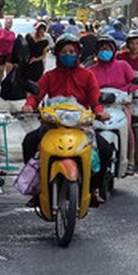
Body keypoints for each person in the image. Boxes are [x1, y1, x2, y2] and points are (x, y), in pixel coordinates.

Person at [21, 35, 106, 202]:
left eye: (72, 51)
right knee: (30, 142)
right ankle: (37, 188)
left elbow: (95, 99)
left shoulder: (87, 75)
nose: (68, 54)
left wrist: (99, 111)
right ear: (58, 54)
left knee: (105, 150)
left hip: (80, 125)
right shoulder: (49, 76)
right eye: (64, 52)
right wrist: (29, 105)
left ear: (78, 54)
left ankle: (93, 189)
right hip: (53, 124)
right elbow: (36, 94)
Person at [89, 35, 138, 175]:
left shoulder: (123, 66)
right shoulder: (91, 71)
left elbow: (134, 82)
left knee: (127, 127)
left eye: (108, 48)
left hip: (120, 104)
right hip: (99, 106)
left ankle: (131, 160)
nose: (105, 51)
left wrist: (125, 93)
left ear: (114, 50)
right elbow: (86, 88)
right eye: (102, 48)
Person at [21, 21, 50, 86]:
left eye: (43, 29)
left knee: (36, 84)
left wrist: (35, 59)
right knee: (27, 83)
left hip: (37, 65)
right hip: (27, 63)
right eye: (40, 29)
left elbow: (43, 56)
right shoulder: (29, 37)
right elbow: (24, 48)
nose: (41, 31)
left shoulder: (45, 41)